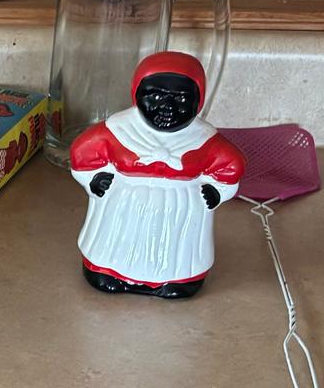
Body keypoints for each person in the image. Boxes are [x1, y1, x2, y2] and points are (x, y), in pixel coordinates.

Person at [67, 51, 245, 299]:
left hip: (180, 210)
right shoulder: (117, 129)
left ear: (199, 99)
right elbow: (83, 152)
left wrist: (216, 190)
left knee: (178, 249)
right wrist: (95, 178)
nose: (168, 107)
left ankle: (179, 279)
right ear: (136, 93)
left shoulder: (204, 138)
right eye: (156, 96)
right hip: (124, 203)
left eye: (182, 98)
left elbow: (230, 165)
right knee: (115, 240)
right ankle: (108, 271)